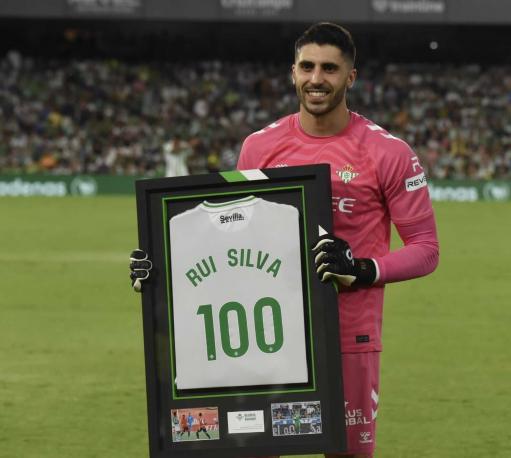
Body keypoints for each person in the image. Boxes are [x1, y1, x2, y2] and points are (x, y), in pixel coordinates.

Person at [130, 22, 439, 458]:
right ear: (292, 72)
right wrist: (162, 268)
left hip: (349, 337)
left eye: (330, 68)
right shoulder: (259, 147)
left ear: (350, 77)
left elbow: (426, 249)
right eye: (307, 66)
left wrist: (364, 269)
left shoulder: (388, 153)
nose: (317, 78)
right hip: (271, 338)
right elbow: (230, 238)